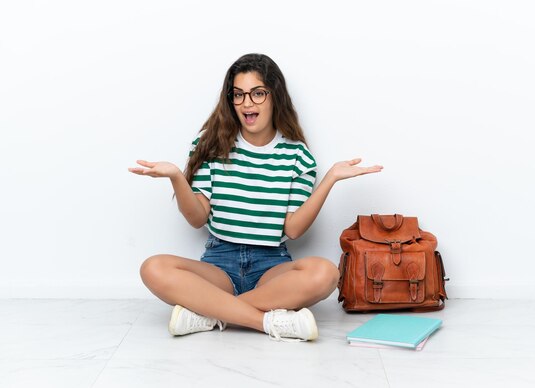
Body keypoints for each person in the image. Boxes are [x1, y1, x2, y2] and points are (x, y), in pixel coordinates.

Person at [128, 53, 382, 341]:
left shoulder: (297, 156)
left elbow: (294, 229)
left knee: (325, 274)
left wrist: (330, 178)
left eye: (258, 93)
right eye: (239, 95)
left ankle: (209, 314)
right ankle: (266, 322)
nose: (247, 103)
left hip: (270, 268)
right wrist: (176, 177)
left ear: (275, 96)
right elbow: (197, 219)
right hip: (218, 264)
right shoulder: (209, 143)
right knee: (153, 268)